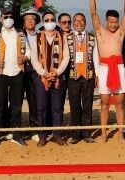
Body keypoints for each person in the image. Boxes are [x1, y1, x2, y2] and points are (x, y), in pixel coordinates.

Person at [86, 0, 125, 142]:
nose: (113, 24)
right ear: (106, 21)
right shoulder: (100, 31)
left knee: (119, 103)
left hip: (118, 67)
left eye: (115, 22)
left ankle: (119, 133)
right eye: (110, 21)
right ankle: (104, 133)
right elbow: (93, 14)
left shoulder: (120, 33)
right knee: (104, 103)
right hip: (104, 68)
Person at [0, 0, 28, 146]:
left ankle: (16, 134)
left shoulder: (20, 32)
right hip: (1, 73)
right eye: (6, 16)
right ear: (1, 19)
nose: (9, 18)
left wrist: (25, 56)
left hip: (17, 72)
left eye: (11, 16)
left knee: (17, 105)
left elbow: (29, 52)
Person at [30, 12, 70, 146]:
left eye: (52, 19)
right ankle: (42, 135)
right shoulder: (36, 38)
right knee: (41, 107)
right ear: (42, 22)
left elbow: (66, 57)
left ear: (56, 22)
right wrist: (44, 73)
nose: (50, 21)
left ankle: (57, 135)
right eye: (46, 20)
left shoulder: (62, 37)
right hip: (41, 78)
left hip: (58, 77)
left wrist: (57, 72)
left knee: (57, 107)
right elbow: (34, 59)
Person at [66, 13, 99, 144]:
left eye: (82, 20)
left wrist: (97, 75)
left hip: (88, 76)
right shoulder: (67, 38)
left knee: (87, 105)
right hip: (72, 76)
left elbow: (96, 57)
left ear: (85, 23)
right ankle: (75, 134)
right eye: (76, 21)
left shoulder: (92, 38)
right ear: (73, 23)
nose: (79, 23)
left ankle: (86, 133)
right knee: (74, 105)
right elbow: (64, 58)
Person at [21, 10, 41, 139]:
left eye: (32, 19)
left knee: (34, 100)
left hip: (35, 72)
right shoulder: (18, 35)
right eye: (27, 19)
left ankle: (34, 127)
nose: (30, 21)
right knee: (15, 101)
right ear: (23, 22)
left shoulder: (41, 36)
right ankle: (14, 129)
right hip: (20, 71)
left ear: (36, 22)